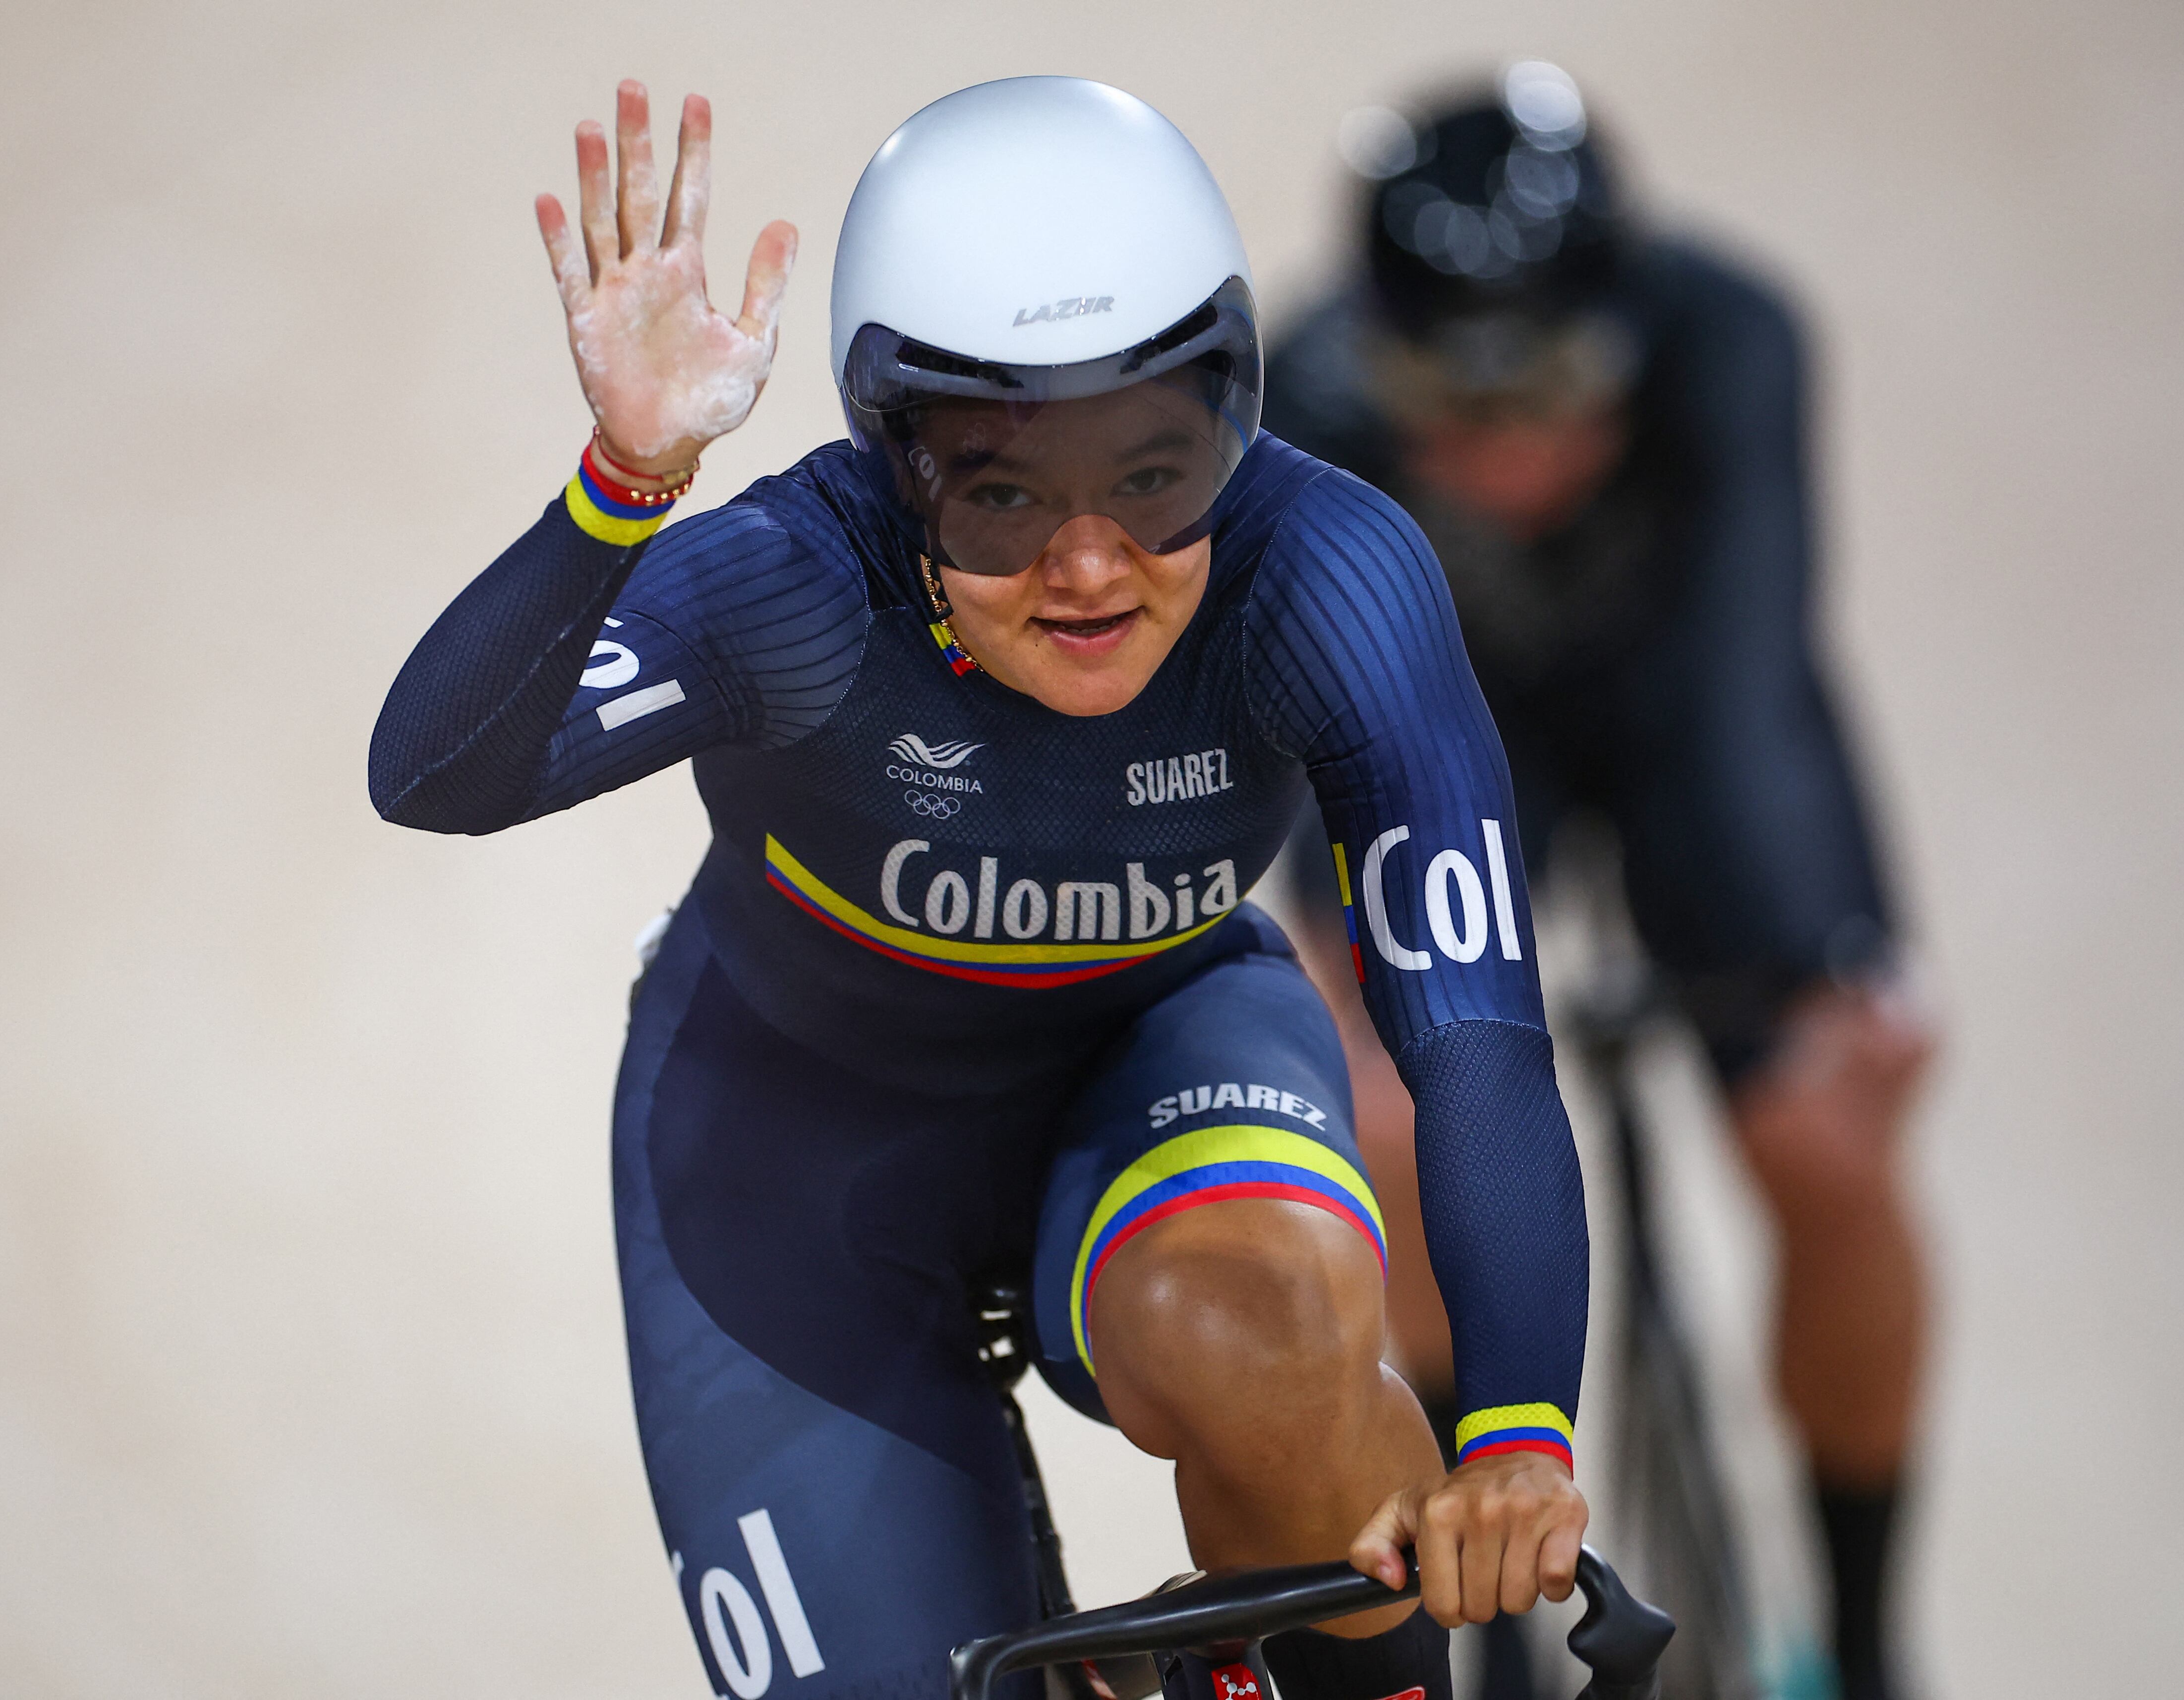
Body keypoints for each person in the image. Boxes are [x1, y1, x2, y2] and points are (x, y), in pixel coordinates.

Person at [371, 76, 1596, 1700]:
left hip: (1159, 1051)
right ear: (895, 467)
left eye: (1155, 475)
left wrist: (1515, 1429)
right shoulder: (799, 588)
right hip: (787, 1162)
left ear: (1237, 414)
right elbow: (435, 774)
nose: (1090, 568)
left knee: (1282, 1344)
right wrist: (623, 483)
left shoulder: (1330, 580)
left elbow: (1480, 1042)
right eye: (1003, 493)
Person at [1261, 63, 1935, 1700]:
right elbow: (1308, 728)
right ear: (1378, 355)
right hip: (1445, 720)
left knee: (1824, 1126)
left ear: (1629, 336)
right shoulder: (1299, 393)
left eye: (1554, 383)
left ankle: (1860, 1638)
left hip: (1682, 716)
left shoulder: (1734, 336)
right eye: (1454, 396)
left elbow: (1741, 687)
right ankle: (1482, 1580)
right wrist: (1359, 1002)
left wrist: (1812, 972)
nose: (1510, 453)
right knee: (1394, 1122)